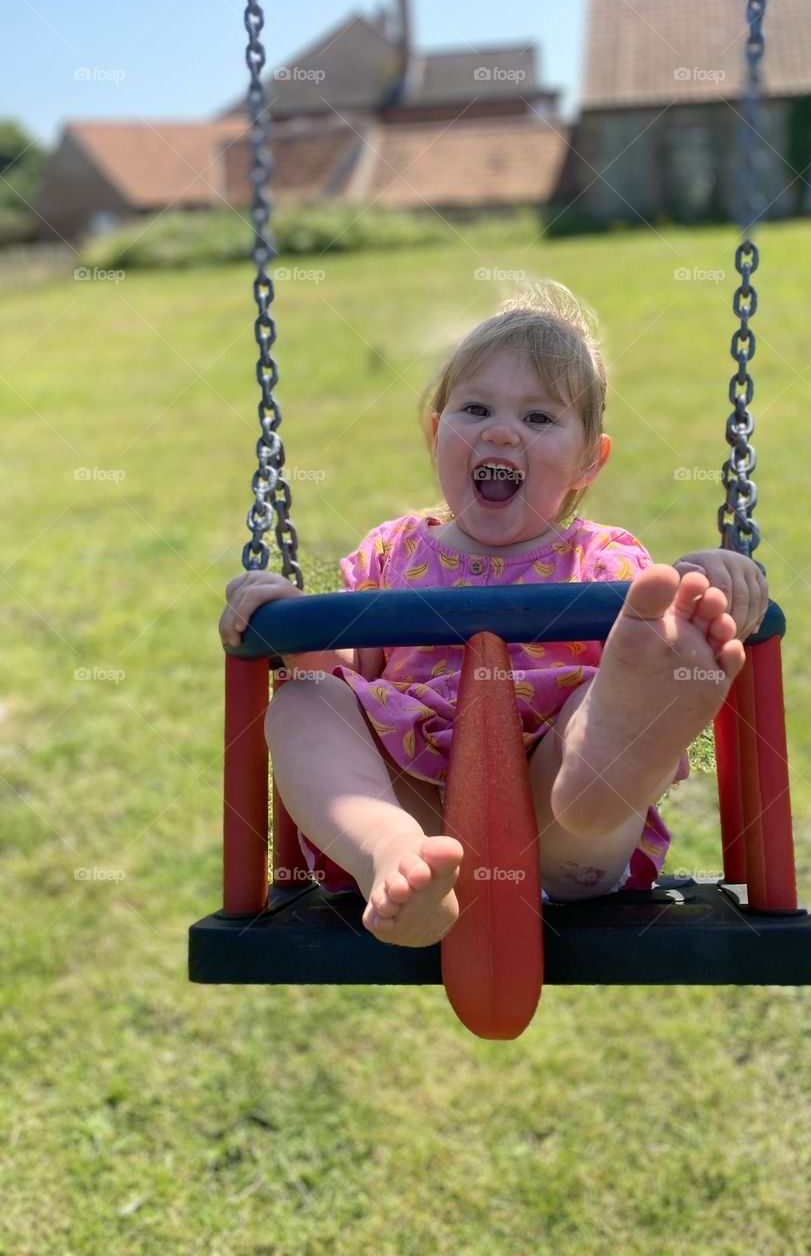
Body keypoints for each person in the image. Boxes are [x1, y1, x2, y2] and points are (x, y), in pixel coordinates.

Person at [219, 282, 767, 949]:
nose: (501, 431)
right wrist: (288, 621)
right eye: (475, 408)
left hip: (560, 830)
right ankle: (389, 856)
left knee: (611, 690)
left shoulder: (606, 562)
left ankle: (615, 752)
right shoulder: (390, 552)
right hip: (414, 814)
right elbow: (338, 670)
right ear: (436, 433)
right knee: (305, 701)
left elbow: (668, 610)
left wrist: (706, 582)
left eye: (539, 417)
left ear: (588, 462)